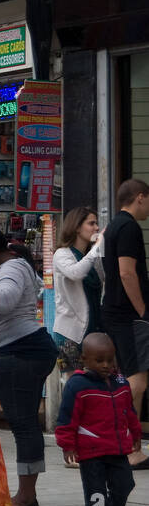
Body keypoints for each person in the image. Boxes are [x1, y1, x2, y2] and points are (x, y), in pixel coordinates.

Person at [0, 226, 57, 506]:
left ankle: (26, 496)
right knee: (24, 422)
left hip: (22, 351)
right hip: (16, 349)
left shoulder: (12, 267)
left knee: (23, 423)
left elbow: (4, 300)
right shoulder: (8, 268)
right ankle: (27, 493)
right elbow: (5, 305)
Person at [56, 332, 139, 506]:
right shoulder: (77, 385)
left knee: (124, 486)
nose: (106, 366)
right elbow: (66, 418)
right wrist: (67, 445)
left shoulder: (121, 382)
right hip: (91, 452)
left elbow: (129, 412)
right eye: (99, 361)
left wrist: (137, 435)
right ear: (84, 359)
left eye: (110, 360)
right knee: (96, 494)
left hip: (117, 449)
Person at [101, 179, 149, 469]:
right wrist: (142, 311)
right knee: (137, 379)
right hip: (127, 314)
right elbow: (126, 272)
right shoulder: (129, 226)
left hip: (116, 311)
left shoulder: (113, 226)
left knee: (134, 377)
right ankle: (125, 446)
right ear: (140, 198)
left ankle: (129, 446)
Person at [52, 207, 104, 372]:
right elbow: (76, 273)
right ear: (76, 227)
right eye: (91, 223)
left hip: (94, 331)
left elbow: (104, 279)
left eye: (97, 223)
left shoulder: (91, 256)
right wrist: (97, 247)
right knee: (76, 384)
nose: (96, 228)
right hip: (69, 334)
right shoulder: (61, 254)